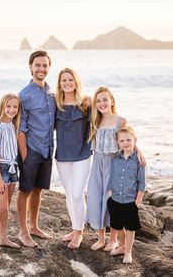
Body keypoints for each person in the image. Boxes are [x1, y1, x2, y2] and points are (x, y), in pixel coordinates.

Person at [86, 86, 145, 252]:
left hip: (114, 164)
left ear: (112, 100)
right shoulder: (95, 121)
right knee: (96, 197)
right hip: (97, 162)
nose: (102, 103)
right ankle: (100, 237)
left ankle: (113, 239)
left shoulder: (121, 120)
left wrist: (138, 151)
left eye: (105, 99)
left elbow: (129, 138)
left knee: (111, 200)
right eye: (98, 100)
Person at [17, 50, 56, 248]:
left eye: (44, 65)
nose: (41, 69)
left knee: (38, 190)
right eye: (37, 65)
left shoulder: (52, 94)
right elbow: (20, 130)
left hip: (48, 150)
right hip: (31, 150)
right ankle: (23, 231)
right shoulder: (24, 95)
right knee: (25, 190)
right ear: (31, 67)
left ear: (49, 67)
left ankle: (34, 226)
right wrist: (24, 157)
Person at [55, 68, 92, 249]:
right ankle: (74, 227)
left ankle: (79, 233)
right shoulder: (56, 103)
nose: (67, 83)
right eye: (64, 80)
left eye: (70, 79)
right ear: (59, 83)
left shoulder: (86, 102)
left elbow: (104, 122)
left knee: (77, 194)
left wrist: (134, 146)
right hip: (62, 156)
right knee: (69, 194)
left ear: (76, 82)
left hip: (82, 154)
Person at [0, 93, 21, 253]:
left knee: (6, 207)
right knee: (1, 208)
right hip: (1, 169)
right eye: (8, 106)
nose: (12, 110)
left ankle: (4, 238)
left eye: (15, 107)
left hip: (13, 168)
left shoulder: (13, 126)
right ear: (2, 107)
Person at [107, 126, 146, 264]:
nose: (125, 142)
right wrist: (111, 194)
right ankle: (122, 246)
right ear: (118, 142)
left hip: (130, 201)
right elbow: (112, 178)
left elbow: (142, 183)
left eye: (129, 139)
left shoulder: (139, 161)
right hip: (115, 199)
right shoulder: (115, 159)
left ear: (135, 140)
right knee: (117, 227)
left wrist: (138, 201)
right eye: (122, 140)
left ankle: (128, 252)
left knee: (130, 228)